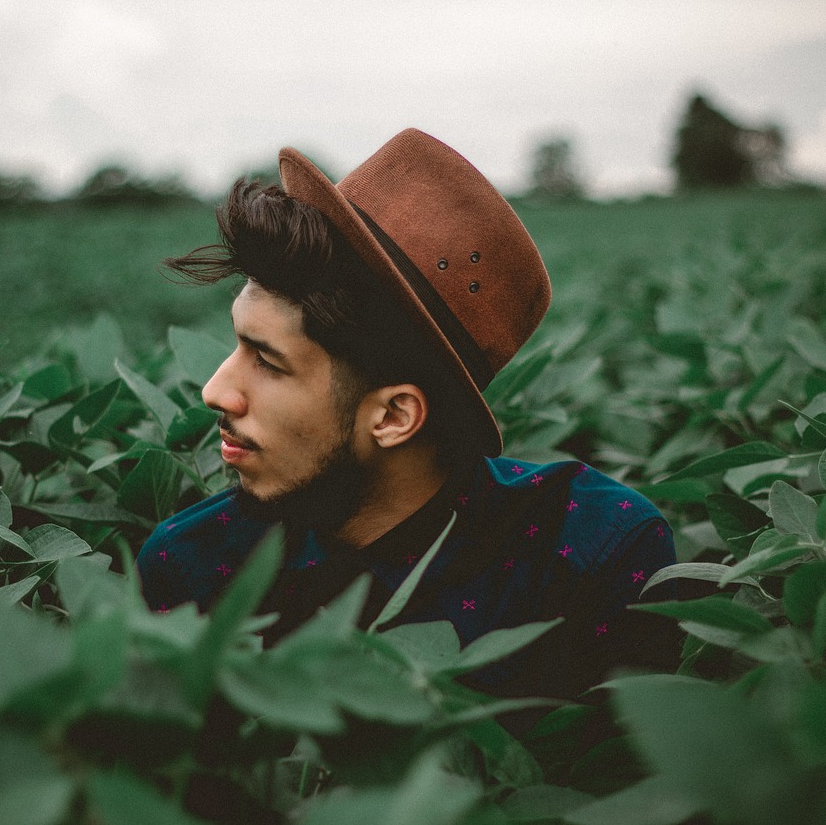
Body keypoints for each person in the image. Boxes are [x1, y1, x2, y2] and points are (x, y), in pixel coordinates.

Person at [137, 128, 678, 707]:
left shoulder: (590, 552)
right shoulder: (189, 565)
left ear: (395, 416)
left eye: (268, 361)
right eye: (237, 345)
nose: (216, 390)